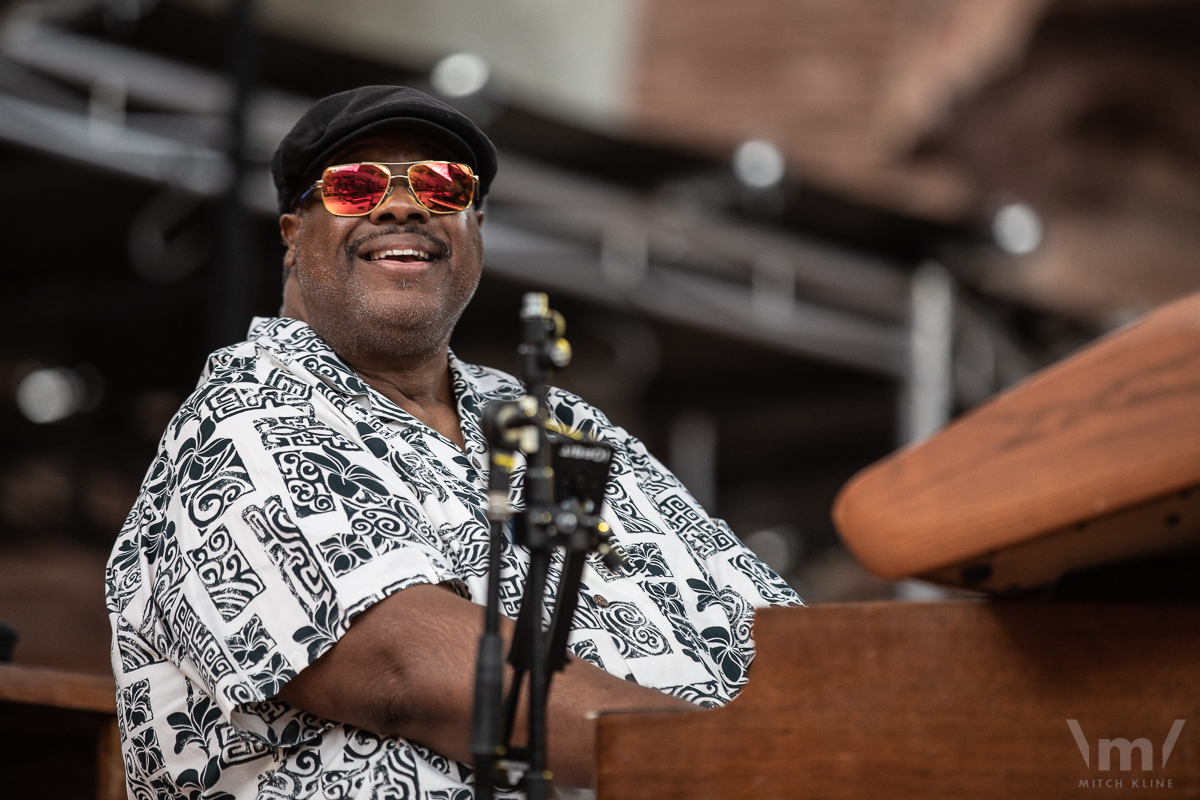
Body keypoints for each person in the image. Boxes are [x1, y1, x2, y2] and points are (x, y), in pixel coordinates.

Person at [106, 85, 802, 800]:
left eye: (442, 185)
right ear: (292, 236)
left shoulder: (562, 424)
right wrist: (751, 768)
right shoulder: (243, 419)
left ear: (476, 226)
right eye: (355, 185)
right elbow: (413, 672)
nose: (404, 205)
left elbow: (780, 637)